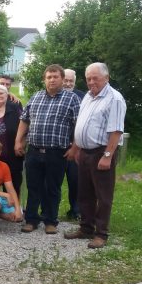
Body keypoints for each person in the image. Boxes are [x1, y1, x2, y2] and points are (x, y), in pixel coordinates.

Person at [64, 62, 126, 249]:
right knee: (85, 194)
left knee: (103, 196)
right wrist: (76, 148)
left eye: (95, 78)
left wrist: (107, 156)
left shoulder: (114, 99)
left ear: (106, 78)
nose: (91, 82)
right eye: (88, 78)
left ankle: (101, 234)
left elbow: (116, 130)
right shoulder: (88, 97)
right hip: (85, 152)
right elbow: (81, 125)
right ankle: (86, 228)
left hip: (101, 152)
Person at [14, 64, 80, 235]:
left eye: (55, 77)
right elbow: (24, 120)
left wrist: (75, 147)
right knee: (33, 186)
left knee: (53, 187)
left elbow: (78, 125)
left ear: (62, 79)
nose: (52, 80)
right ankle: (31, 220)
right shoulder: (36, 97)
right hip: (34, 150)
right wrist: (18, 141)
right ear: (44, 79)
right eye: (49, 77)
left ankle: (51, 221)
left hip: (57, 152)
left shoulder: (71, 99)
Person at [62, 68, 86, 220]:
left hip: (76, 145)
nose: (68, 83)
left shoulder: (84, 97)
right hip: (56, 145)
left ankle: (76, 210)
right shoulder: (52, 95)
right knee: (51, 181)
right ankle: (48, 210)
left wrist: (77, 145)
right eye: (66, 80)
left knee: (75, 179)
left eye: (71, 81)